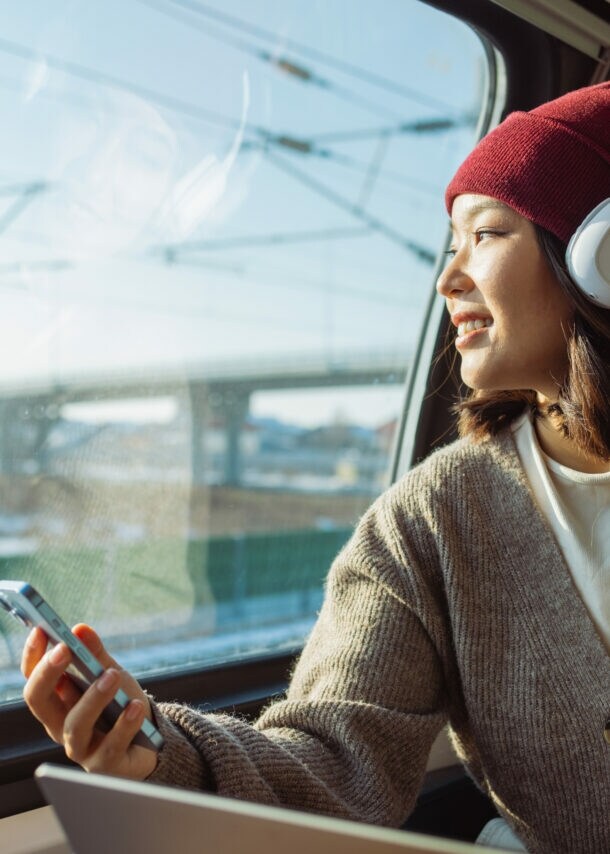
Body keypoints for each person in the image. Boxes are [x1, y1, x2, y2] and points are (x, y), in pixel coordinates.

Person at [20, 82, 610, 854]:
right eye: (449, 246)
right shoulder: (433, 519)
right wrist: (160, 751)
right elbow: (334, 760)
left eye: (487, 234)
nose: (448, 279)